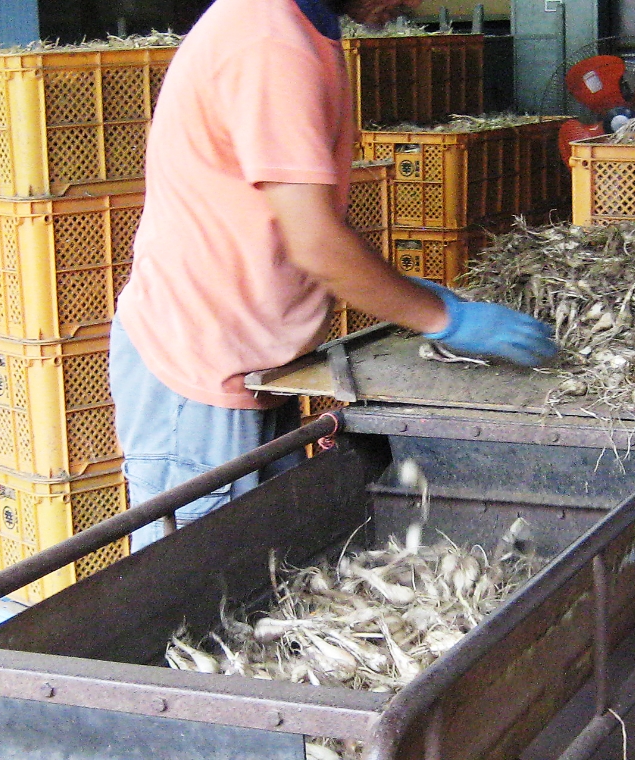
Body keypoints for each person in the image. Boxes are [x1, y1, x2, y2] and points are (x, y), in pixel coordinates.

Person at [113, 0, 557, 551]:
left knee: (265, 565)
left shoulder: (303, 30)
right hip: (197, 363)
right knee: (194, 589)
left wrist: (418, 299)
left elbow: (303, 219)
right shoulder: (270, 42)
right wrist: (443, 317)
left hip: (252, 359)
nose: (414, 5)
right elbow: (315, 242)